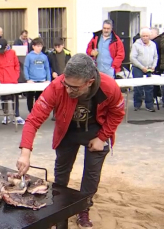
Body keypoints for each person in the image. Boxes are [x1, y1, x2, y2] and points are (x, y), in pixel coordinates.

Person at [16, 53, 125, 229]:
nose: (68, 90)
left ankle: (84, 208)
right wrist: (25, 153)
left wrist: (102, 137)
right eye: (66, 84)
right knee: (61, 174)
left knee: (91, 175)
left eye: (74, 88)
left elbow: (117, 113)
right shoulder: (57, 86)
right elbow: (33, 119)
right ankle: (59, 210)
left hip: (96, 130)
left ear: (89, 82)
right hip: (67, 130)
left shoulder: (109, 86)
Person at [0, 38, 25, 125]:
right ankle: (5, 115)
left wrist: (16, 76)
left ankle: (16, 115)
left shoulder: (12, 53)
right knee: (4, 98)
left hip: (13, 81)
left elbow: (17, 65)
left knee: (15, 98)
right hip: (2, 81)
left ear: (6, 47)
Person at [130, 28, 158, 112]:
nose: (145, 38)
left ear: (149, 36)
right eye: (143, 36)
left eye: (147, 36)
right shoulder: (136, 45)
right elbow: (132, 58)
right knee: (138, 87)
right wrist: (142, 67)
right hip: (138, 68)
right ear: (141, 36)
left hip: (149, 68)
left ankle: (149, 105)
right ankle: (137, 104)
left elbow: (156, 56)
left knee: (149, 87)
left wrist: (153, 66)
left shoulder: (153, 44)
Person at [23, 37, 51, 113]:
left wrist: (48, 79)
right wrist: (28, 79)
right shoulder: (29, 56)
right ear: (33, 46)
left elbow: (47, 68)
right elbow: (26, 67)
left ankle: (38, 112)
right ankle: (31, 112)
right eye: (38, 46)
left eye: (41, 46)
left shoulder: (44, 57)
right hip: (32, 80)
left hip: (42, 80)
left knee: (39, 98)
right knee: (30, 97)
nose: (39, 48)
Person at [47, 37, 72, 121]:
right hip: (56, 78)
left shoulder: (67, 54)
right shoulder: (51, 54)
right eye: (56, 46)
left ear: (63, 45)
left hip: (65, 77)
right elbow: (48, 66)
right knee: (56, 97)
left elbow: (70, 66)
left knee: (66, 96)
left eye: (59, 46)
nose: (57, 48)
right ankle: (55, 113)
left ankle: (65, 113)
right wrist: (52, 72)